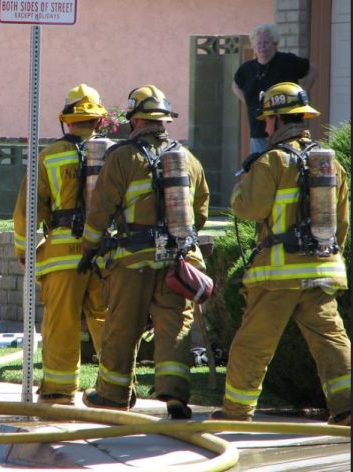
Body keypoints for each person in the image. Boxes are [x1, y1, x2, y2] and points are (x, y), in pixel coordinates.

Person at [213, 82, 350, 425]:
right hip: (322, 271)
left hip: (277, 277)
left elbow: (248, 209)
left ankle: (236, 413)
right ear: (303, 119)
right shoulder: (331, 165)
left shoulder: (272, 161)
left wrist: (241, 187)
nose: (266, 126)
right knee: (331, 342)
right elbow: (342, 223)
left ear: (274, 120)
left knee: (253, 345)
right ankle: (347, 408)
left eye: (267, 120)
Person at [77, 85, 209, 419]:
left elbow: (100, 209)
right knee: (174, 328)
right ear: (164, 121)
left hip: (134, 259)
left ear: (135, 120)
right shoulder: (188, 160)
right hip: (177, 262)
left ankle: (112, 394)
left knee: (123, 326)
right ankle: (175, 395)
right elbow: (201, 212)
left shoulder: (122, 156)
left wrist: (89, 249)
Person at [12, 84, 108, 405]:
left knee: (61, 323)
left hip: (61, 256)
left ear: (66, 121)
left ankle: (58, 389)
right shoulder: (115, 155)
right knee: (108, 320)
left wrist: (25, 250)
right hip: (105, 253)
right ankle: (117, 389)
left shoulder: (49, 156)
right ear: (99, 121)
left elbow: (28, 210)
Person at [232, 23, 318, 154]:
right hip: (258, 131)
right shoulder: (247, 69)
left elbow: (313, 70)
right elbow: (235, 85)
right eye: (258, 43)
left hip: (287, 132)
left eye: (266, 42)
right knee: (261, 168)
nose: (262, 47)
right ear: (253, 46)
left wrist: (303, 93)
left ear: (274, 43)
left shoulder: (287, 61)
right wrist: (247, 102)